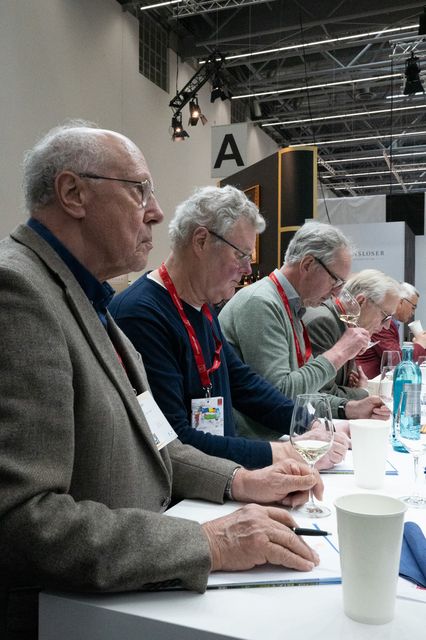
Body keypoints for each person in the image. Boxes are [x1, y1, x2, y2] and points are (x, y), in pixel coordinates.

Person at [0, 122, 324, 640]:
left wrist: (239, 480)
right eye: (139, 191)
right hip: (66, 619)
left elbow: (156, 440)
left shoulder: (90, 299)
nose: (155, 211)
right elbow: (22, 520)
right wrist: (207, 543)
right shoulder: (18, 292)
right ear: (73, 193)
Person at [110, 186, 349, 469]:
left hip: (220, 474)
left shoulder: (202, 306)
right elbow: (174, 441)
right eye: (241, 255)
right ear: (201, 241)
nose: (248, 269)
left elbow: (243, 382)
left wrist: (312, 422)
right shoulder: (141, 315)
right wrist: (287, 453)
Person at [219, 221, 390, 441]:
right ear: (308, 264)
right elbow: (280, 396)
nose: (337, 292)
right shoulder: (260, 303)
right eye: (335, 280)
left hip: (276, 437)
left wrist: (348, 408)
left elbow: (304, 395)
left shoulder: (292, 307)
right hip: (256, 443)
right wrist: (339, 352)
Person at [303, 269, 401, 393]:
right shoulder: (324, 323)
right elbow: (322, 394)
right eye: (385, 316)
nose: (387, 326)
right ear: (361, 302)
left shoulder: (348, 324)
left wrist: (355, 387)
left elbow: (347, 384)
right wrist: (362, 392)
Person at [356, 282, 426, 378]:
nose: (413, 313)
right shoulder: (381, 322)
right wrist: (420, 345)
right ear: (401, 301)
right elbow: (395, 361)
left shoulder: (390, 322)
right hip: (367, 380)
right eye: (413, 307)